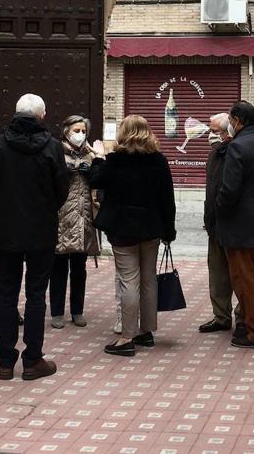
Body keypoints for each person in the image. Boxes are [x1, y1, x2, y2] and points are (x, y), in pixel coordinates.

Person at [0, 94, 70, 381]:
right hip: (40, 230)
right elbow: (62, 189)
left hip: (7, 230)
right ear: (41, 116)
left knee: (6, 293)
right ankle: (33, 359)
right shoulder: (52, 147)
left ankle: (5, 361)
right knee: (36, 294)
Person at [91, 115, 175, 357]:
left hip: (123, 228)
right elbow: (167, 199)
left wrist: (98, 158)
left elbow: (96, 180)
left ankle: (127, 337)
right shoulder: (158, 160)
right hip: (151, 227)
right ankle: (146, 332)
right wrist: (169, 230)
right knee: (148, 278)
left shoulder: (116, 160)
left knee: (129, 279)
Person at [216, 101, 254, 351]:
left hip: (241, 224)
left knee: (245, 280)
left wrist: (218, 209)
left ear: (238, 121)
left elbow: (229, 190)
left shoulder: (238, 147)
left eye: (231, 119)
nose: (229, 124)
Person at [50, 115, 99, 329]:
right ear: (66, 131)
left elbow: (100, 183)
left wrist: (95, 169)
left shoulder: (90, 154)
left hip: (83, 217)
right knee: (58, 268)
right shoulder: (56, 152)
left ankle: (77, 311)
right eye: (76, 130)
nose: (80, 134)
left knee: (79, 268)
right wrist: (63, 173)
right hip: (61, 217)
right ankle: (57, 312)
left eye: (83, 131)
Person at [198, 112, 243, 334]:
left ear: (228, 132)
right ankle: (221, 316)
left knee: (238, 273)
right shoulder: (214, 153)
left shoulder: (235, 153)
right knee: (217, 274)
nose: (210, 135)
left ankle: (242, 317)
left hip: (233, 225)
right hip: (214, 224)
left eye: (214, 131)